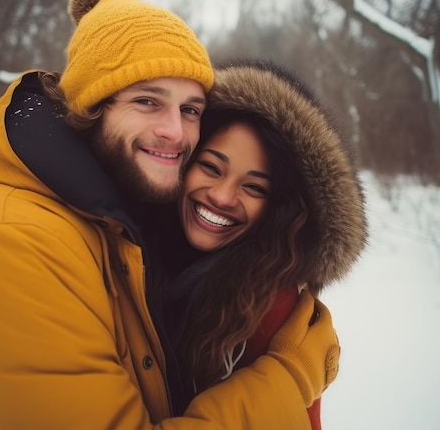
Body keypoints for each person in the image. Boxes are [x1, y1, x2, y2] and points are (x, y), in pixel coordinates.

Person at [0, 0, 340, 429]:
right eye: (147, 101)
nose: (176, 133)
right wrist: (288, 378)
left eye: (191, 109)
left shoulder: (120, 228)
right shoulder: (10, 242)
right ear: (90, 105)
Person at [149, 61, 368, 428]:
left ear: (275, 208)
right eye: (211, 167)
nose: (221, 196)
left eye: (253, 187)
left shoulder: (272, 313)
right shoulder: (138, 251)